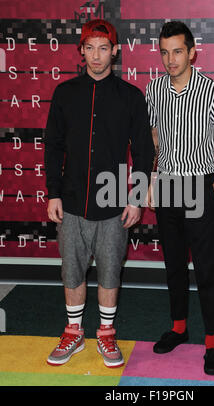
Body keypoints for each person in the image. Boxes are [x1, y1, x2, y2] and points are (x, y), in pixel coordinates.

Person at [44, 19, 154, 368]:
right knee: (71, 270)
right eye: (89, 48)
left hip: (113, 203)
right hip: (72, 201)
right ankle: (74, 331)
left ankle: (106, 333)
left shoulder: (131, 97)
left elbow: (144, 152)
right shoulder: (64, 93)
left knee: (109, 271)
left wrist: (136, 197)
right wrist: (53, 193)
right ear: (81, 51)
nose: (96, 55)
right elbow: (53, 146)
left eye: (103, 48)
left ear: (115, 51)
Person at [146, 21, 214, 375]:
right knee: (173, 265)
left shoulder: (212, 91)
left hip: (200, 184)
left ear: (193, 52)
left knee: (206, 269)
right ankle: (179, 327)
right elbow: (154, 136)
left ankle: (212, 341)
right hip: (167, 185)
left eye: (178, 51)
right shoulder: (153, 89)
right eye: (165, 52)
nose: (171, 59)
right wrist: (151, 179)